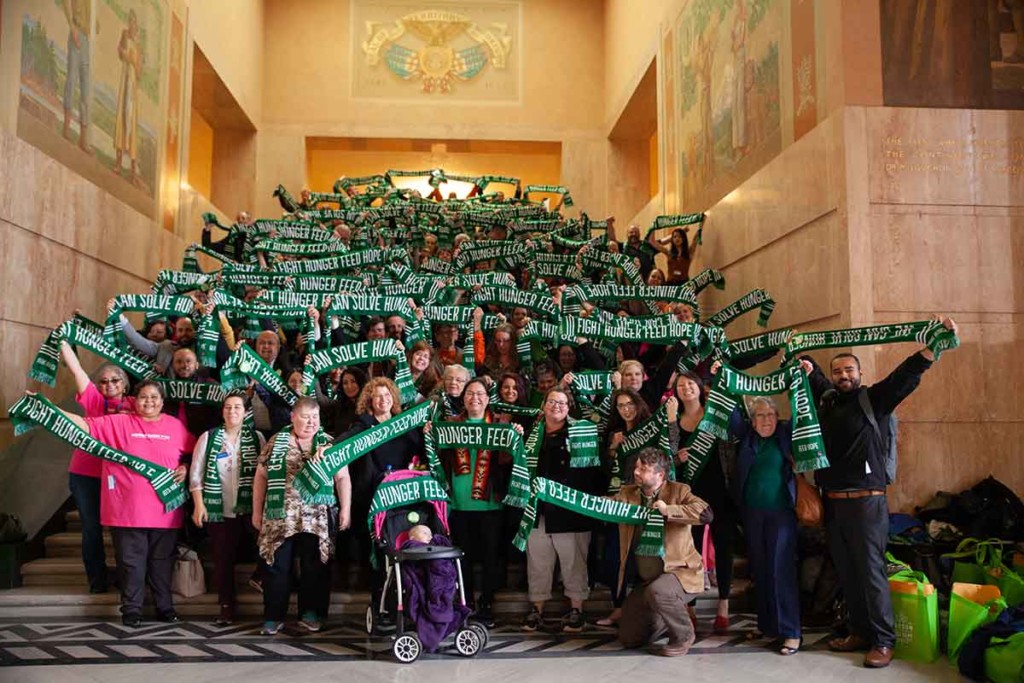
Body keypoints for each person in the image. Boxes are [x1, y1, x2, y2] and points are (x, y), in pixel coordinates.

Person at [801, 316, 959, 669]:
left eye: (849, 370)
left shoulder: (875, 399)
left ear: (859, 373)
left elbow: (905, 376)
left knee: (871, 573)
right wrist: (801, 356)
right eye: (837, 371)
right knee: (847, 572)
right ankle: (859, 632)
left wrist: (933, 347)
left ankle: (883, 641)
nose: (843, 376)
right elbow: (813, 374)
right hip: (833, 504)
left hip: (867, 504)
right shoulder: (828, 400)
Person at [40, 380, 193, 627]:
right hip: (126, 512)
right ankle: (132, 610)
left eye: (154, 397)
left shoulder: (175, 426)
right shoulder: (118, 423)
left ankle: (165, 608)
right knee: (131, 564)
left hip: (166, 511)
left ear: (162, 402)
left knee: (162, 564)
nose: (149, 401)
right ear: (135, 400)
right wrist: (49, 407)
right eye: (143, 397)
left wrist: (186, 466)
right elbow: (83, 425)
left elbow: (194, 451)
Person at [252, 397, 351, 635]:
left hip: (317, 516)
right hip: (280, 515)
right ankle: (273, 616)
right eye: (305, 417)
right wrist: (256, 511)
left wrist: (346, 509)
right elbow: (261, 477)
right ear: (292, 417)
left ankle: (311, 613)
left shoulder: (328, 443)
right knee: (276, 565)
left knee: (315, 565)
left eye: (315, 417)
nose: (311, 422)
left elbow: (343, 478)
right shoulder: (276, 442)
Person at [427, 378, 518, 627]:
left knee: (491, 558)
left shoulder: (499, 425)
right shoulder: (450, 425)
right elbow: (437, 455)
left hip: (490, 505)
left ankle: (487, 603)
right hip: (458, 504)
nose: (474, 398)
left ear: (487, 399)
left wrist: (515, 436)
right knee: (462, 557)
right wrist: (430, 433)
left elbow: (508, 460)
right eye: (469, 394)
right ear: (463, 398)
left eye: (479, 394)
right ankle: (466, 603)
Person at [725, 390, 801, 655]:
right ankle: (767, 625)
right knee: (761, 570)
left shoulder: (784, 435)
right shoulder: (748, 437)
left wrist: (799, 382)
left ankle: (790, 632)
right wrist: (723, 378)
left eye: (771, 415)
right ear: (753, 420)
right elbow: (732, 413)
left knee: (781, 570)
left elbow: (802, 412)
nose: (766, 420)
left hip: (781, 514)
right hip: (753, 515)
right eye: (760, 415)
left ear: (778, 418)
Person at [521, 389, 605, 633]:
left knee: (574, 562)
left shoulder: (582, 432)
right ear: (543, 405)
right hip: (537, 510)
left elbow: (593, 473)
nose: (556, 406)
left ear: (569, 408)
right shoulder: (530, 434)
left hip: (571, 511)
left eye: (562, 402)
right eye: (551, 401)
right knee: (538, 562)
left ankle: (576, 610)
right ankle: (536, 609)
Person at [615, 448, 712, 657]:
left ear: (660, 475)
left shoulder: (680, 491)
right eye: (637, 467)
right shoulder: (627, 493)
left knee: (659, 591)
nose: (636, 472)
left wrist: (669, 511)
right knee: (629, 638)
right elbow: (602, 504)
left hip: (682, 573)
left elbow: (705, 513)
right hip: (649, 580)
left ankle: (684, 636)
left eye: (643, 469)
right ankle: (663, 620)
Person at [59, 340, 135, 594]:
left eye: (115, 380)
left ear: (124, 384)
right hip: (86, 474)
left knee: (122, 529)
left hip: (121, 475)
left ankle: (127, 577)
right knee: (91, 528)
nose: (109, 384)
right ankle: (97, 580)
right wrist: (63, 340)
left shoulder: (137, 404)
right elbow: (77, 370)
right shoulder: (93, 400)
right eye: (103, 381)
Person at [189, 393, 267, 625]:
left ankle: (262, 583)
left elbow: (264, 473)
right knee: (223, 559)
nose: (232, 411)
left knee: (266, 547)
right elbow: (196, 474)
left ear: (246, 412)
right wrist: (199, 505)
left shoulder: (257, 437)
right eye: (228, 407)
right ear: (222, 411)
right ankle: (226, 605)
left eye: (237, 407)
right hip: (219, 508)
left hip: (250, 506)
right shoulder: (209, 437)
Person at [670, 370, 736, 633]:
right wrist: (678, 459)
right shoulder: (673, 420)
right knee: (690, 551)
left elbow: (731, 446)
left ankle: (724, 605)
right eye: (680, 385)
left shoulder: (714, 416)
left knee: (724, 547)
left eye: (690, 384)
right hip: (689, 496)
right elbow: (667, 457)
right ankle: (691, 606)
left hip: (720, 491)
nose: (686, 388)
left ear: (700, 388)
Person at [597, 387, 653, 626]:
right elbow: (605, 470)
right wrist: (612, 448)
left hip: (641, 504)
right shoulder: (615, 433)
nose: (626, 409)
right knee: (614, 557)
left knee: (642, 560)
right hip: (616, 503)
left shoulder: (648, 430)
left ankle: (642, 610)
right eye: (621, 405)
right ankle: (618, 607)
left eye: (629, 404)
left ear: (638, 404)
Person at [114, 9, 142, 180]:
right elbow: (120, 51)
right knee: (122, 117)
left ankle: (132, 169)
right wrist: (126, 55)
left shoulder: (138, 46)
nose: (131, 25)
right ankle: (118, 161)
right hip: (125, 82)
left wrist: (133, 61)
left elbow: (139, 72)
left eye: (134, 22)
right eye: (130, 21)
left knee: (131, 121)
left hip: (132, 86)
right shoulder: (124, 35)